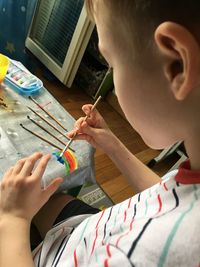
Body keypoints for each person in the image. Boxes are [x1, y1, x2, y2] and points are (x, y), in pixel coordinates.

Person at [0, 0, 200, 266]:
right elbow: (168, 193)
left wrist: (12, 219)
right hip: (88, 231)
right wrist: (112, 144)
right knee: (47, 200)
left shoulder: (147, 256)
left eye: (112, 64)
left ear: (177, 65)